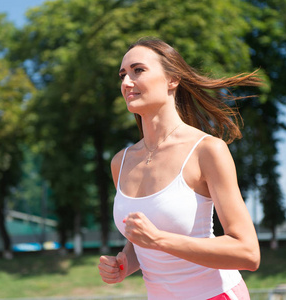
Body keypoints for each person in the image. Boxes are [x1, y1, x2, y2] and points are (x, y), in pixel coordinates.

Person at [98, 37, 262, 300]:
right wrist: (124, 264)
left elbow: (248, 253)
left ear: (172, 79)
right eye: (123, 75)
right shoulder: (121, 161)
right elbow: (141, 240)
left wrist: (159, 240)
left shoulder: (207, 150)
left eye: (138, 70)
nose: (126, 82)